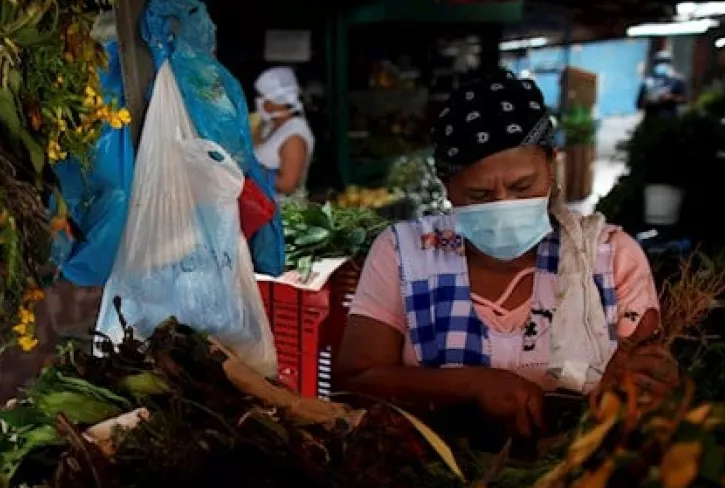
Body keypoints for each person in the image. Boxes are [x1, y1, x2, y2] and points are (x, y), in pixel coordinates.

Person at [335, 71, 676, 440]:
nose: (504, 205)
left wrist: (640, 383)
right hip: (431, 467)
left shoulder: (608, 258)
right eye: (479, 195)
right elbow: (355, 381)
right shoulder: (405, 253)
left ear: (551, 164)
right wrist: (471, 385)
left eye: (522, 186)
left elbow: (643, 383)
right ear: (447, 187)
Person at [252, 66, 315, 199]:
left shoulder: (294, 136)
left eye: (262, 96)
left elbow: (287, 185)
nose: (259, 101)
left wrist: (253, 170)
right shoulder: (270, 126)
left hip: (280, 210)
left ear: (275, 101)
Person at [638, 52, 688, 119]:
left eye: (664, 62)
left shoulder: (677, 80)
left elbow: (684, 100)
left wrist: (670, 97)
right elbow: (639, 104)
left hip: (669, 119)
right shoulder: (648, 82)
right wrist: (649, 100)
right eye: (659, 62)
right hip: (651, 119)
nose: (661, 65)